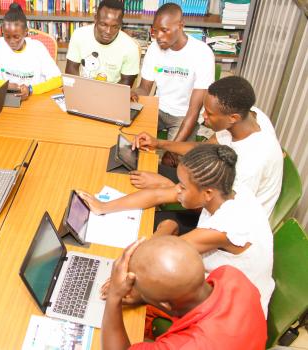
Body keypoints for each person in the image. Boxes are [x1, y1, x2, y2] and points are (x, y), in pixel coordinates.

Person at [79, 144, 275, 316]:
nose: (176, 189)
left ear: (207, 193)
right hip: (218, 279)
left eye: (183, 187)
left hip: (235, 307)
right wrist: (103, 207)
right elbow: (157, 195)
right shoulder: (226, 187)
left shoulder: (224, 228)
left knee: (137, 295)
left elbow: (156, 257)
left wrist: (126, 279)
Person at [131, 75, 283, 216]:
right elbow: (203, 149)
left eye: (209, 114)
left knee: (145, 218)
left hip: (225, 224)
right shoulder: (249, 115)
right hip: (211, 189)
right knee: (139, 170)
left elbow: (217, 210)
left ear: (233, 118)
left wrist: (166, 185)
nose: (203, 117)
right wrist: (159, 143)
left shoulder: (250, 164)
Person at [101, 236, 267, 349]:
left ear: (165, 304)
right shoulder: (231, 275)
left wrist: (114, 296)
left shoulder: (184, 345)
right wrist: (145, 295)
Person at [132, 3, 214, 153]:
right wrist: (133, 93)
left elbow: (194, 109)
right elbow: (144, 88)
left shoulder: (202, 53)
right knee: (132, 141)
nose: (158, 37)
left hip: (184, 115)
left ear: (181, 25)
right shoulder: (154, 48)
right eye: (155, 31)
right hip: (158, 108)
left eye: (164, 30)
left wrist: (172, 149)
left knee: (172, 159)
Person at [0, 3, 62, 100]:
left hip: (33, 98)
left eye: (16, 37)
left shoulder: (38, 48)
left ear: (25, 32)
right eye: (7, 36)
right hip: (5, 98)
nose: (11, 42)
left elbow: (58, 79)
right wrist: (5, 85)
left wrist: (31, 90)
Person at [65, 0, 139, 86]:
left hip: (113, 92)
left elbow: (126, 84)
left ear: (121, 24)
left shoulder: (131, 47)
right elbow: (71, 71)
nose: (108, 31)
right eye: (103, 24)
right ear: (95, 18)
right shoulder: (79, 35)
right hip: (83, 87)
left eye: (115, 26)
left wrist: (101, 95)